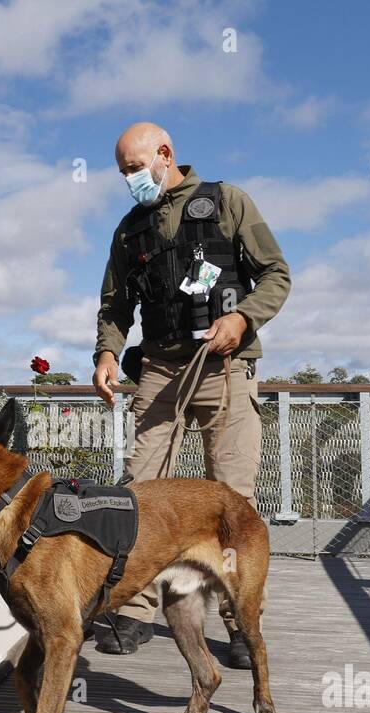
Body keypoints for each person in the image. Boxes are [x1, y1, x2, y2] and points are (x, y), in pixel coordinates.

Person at [91, 122, 291, 667]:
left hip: (224, 367)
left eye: (134, 167)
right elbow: (114, 306)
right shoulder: (130, 229)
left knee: (231, 501)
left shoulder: (227, 202)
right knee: (138, 492)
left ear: (164, 154)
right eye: (122, 172)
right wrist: (107, 353)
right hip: (158, 369)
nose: (129, 178)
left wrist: (243, 319)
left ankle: (240, 623)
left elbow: (276, 273)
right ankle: (133, 611)